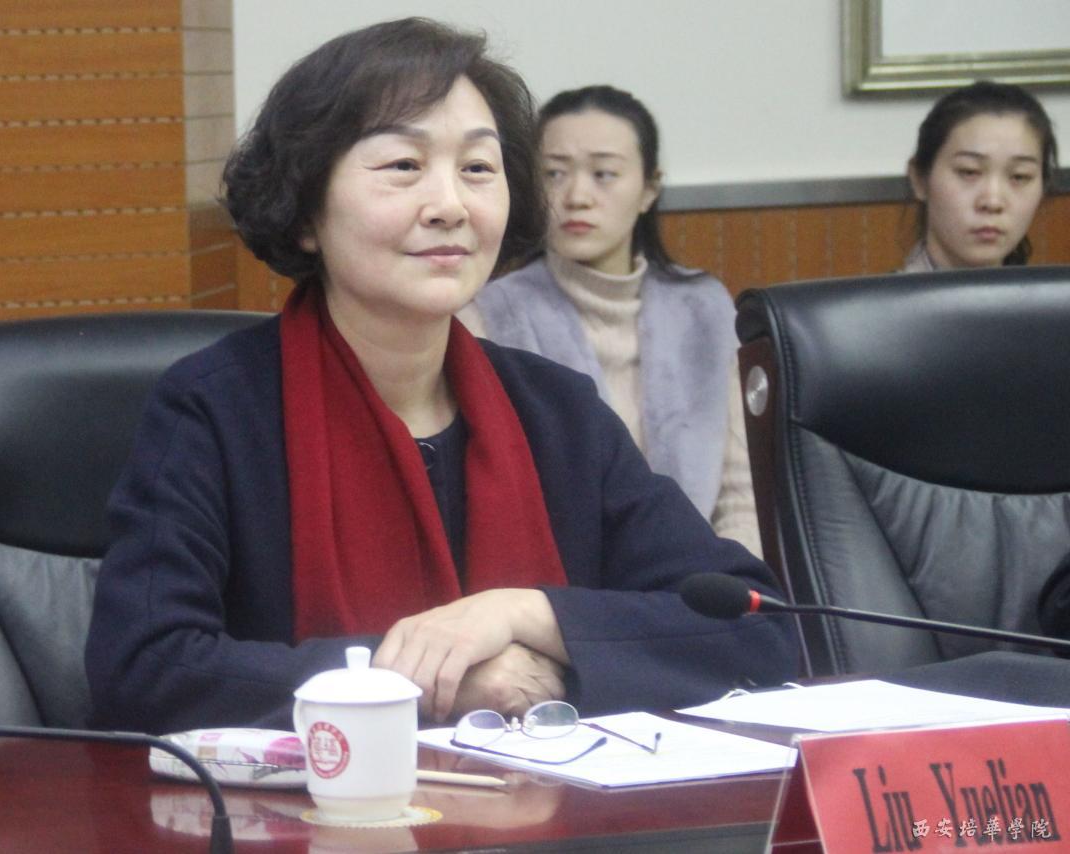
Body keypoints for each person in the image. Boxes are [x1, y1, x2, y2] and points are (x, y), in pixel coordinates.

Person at [84, 18, 797, 735]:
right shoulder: (213, 409)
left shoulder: (558, 411)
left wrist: (524, 614)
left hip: (549, 803)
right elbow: (145, 667)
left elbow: (758, 628)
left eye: (478, 169)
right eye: (403, 166)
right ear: (306, 212)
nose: (451, 206)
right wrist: (426, 684)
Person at [460, 85, 761, 557]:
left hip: (704, 577)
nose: (576, 196)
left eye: (604, 174)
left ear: (649, 189)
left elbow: (742, 493)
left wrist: (721, 581)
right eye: (554, 173)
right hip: (561, 581)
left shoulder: (704, 308)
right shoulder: (487, 313)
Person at [901, 80, 1059, 272]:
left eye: (1019, 176)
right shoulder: (884, 293)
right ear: (919, 179)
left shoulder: (1055, 292)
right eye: (969, 172)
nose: (992, 202)